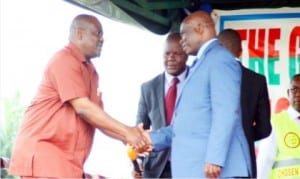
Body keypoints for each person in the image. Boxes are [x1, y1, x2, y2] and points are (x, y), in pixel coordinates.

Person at [8, 14, 148, 178]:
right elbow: (83, 108)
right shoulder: (64, 60)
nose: (102, 39)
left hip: (66, 164)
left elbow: (97, 119)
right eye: (97, 34)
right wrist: (127, 132)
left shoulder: (91, 72)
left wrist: (129, 137)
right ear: (79, 34)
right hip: (45, 157)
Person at [141, 10, 251, 178]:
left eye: (184, 34)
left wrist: (215, 158)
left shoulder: (220, 59)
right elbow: (184, 127)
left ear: (200, 28)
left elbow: (226, 112)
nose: (181, 40)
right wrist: (150, 139)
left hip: (218, 171)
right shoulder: (200, 64)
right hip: (197, 170)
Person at [217, 28, 272, 178]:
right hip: (244, 164)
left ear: (217, 49)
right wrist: (243, 137)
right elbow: (264, 128)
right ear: (240, 51)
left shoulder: (206, 79)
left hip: (213, 165)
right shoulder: (257, 81)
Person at [133, 32, 188, 178]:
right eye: (167, 54)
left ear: (187, 54)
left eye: (177, 53)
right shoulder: (148, 88)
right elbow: (139, 130)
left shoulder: (197, 82)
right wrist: (137, 162)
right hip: (156, 169)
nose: (171, 58)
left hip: (190, 166)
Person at [257, 74, 300, 179]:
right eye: (294, 89)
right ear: (288, 93)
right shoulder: (276, 122)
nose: (298, 94)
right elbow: (264, 162)